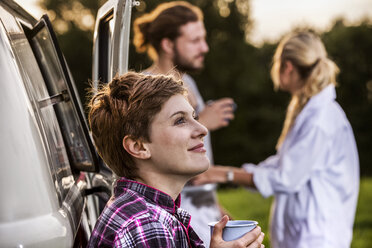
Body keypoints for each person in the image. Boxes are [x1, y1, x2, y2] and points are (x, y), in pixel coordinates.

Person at [194, 31, 360, 248]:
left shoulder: (320, 119)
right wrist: (225, 173)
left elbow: (285, 177)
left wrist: (224, 174)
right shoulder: (311, 112)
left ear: (288, 66)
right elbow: (283, 164)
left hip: (317, 238)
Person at [87, 72, 264, 247]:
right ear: (139, 147)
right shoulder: (146, 224)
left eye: (194, 117)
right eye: (180, 120)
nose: (203, 129)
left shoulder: (147, 211)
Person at [132, 1, 235, 245]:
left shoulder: (190, 85)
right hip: (172, 225)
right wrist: (203, 120)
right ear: (168, 44)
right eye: (195, 41)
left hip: (205, 218)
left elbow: (199, 168)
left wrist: (219, 211)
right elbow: (143, 167)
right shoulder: (142, 90)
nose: (205, 47)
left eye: (204, 39)